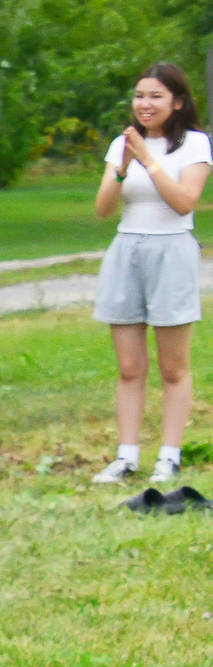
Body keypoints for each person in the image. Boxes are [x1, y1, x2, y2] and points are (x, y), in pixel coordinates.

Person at [90, 62, 210, 487]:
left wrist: (148, 160)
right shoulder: (122, 143)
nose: (145, 104)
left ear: (177, 102)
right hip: (127, 249)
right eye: (140, 96)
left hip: (172, 250)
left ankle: (170, 455)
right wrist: (123, 164)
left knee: (173, 366)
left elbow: (184, 202)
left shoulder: (194, 145)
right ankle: (126, 456)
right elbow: (104, 209)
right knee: (128, 366)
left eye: (156, 96)